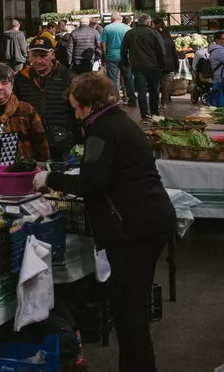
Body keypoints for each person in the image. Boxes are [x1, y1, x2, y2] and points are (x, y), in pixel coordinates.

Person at [34, 72, 176, 372]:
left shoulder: (101, 130)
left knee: (129, 311)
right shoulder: (119, 121)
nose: (75, 114)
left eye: (76, 108)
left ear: (88, 105)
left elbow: (92, 182)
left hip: (133, 228)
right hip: (149, 220)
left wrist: (50, 178)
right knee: (129, 308)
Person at [14, 36, 77, 161]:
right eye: (34, 56)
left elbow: (77, 110)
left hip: (61, 142)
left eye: (43, 56)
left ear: (52, 54)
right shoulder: (21, 78)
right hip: (31, 141)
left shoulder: (67, 77)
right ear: (29, 56)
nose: (38, 60)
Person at [119, 14, 166, 119]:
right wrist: (162, 64)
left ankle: (144, 113)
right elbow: (161, 50)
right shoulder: (154, 33)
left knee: (141, 90)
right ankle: (154, 112)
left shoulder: (130, 33)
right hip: (153, 65)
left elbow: (123, 49)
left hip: (137, 65)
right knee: (154, 90)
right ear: (148, 22)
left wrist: (125, 62)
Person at [100, 12, 134, 105]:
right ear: (120, 18)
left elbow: (103, 44)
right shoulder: (127, 28)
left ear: (111, 19)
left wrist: (105, 56)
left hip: (111, 56)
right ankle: (131, 99)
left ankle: (115, 100)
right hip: (125, 56)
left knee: (113, 80)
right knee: (128, 79)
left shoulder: (107, 28)